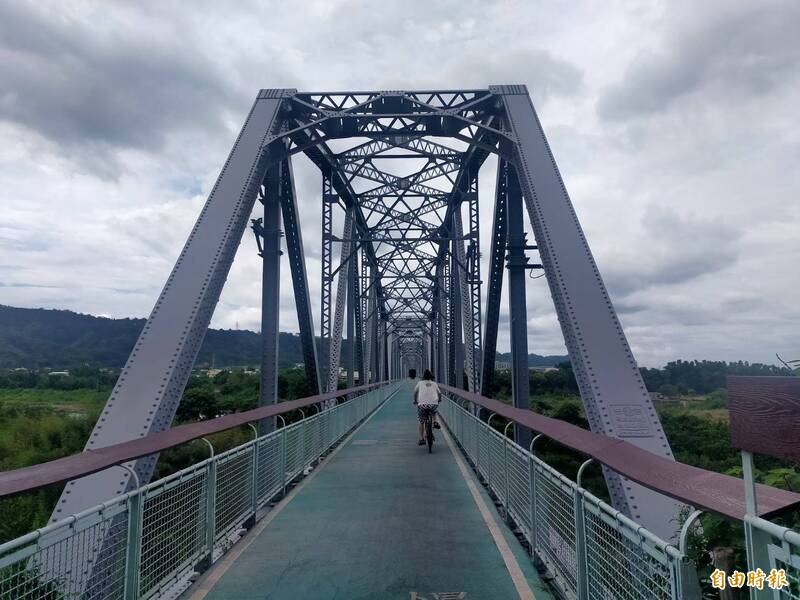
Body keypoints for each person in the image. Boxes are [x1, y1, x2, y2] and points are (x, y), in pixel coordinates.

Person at [413, 369, 441, 445]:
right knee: (434, 412)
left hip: (422, 404)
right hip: (433, 404)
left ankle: (422, 439)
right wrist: (439, 400)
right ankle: (435, 422)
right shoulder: (434, 383)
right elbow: (439, 393)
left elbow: (415, 392)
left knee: (421, 421)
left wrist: (415, 400)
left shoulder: (420, 383)